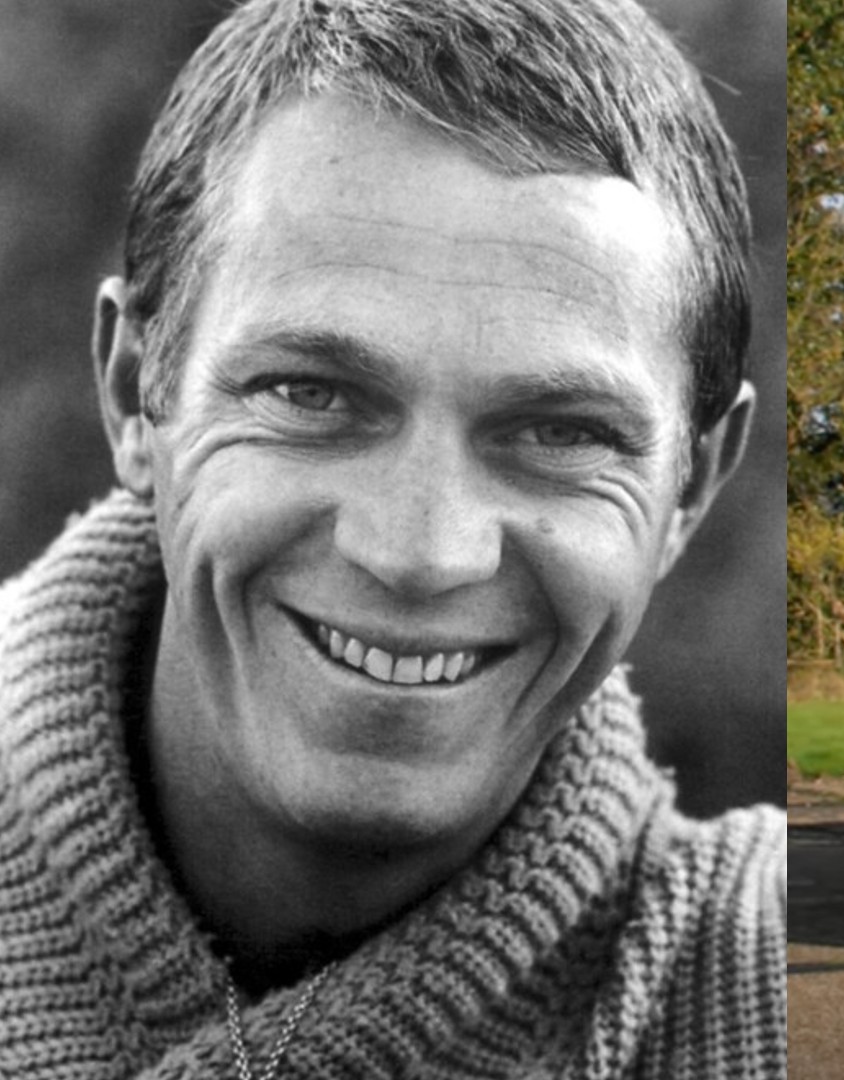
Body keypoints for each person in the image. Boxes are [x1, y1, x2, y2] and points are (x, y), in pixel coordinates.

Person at [0, 0, 785, 1076]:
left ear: (689, 486)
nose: (421, 551)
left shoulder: (773, 987)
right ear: (139, 393)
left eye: (560, 433)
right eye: (312, 394)